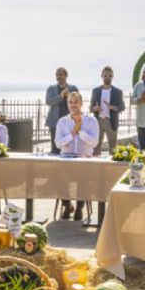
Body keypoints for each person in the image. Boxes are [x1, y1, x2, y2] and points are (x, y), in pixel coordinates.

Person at [54, 92, 99, 220]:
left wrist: (81, 131)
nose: (73, 105)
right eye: (70, 102)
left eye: (76, 102)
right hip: (66, 158)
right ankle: (67, 205)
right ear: (68, 104)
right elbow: (58, 143)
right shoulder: (62, 122)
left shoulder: (91, 121)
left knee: (83, 176)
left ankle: (80, 207)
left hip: (85, 158)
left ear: (81, 103)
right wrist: (71, 135)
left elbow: (94, 142)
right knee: (58, 176)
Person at [89, 66, 125, 155]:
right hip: (98, 121)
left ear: (112, 77)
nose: (107, 77)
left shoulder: (118, 92)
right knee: (95, 149)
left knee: (113, 150)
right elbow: (91, 108)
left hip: (111, 122)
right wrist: (95, 108)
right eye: (105, 75)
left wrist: (113, 107)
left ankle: (111, 168)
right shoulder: (96, 91)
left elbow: (122, 107)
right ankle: (95, 167)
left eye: (109, 75)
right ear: (102, 76)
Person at [45, 68, 79, 153]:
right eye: (57, 75)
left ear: (66, 75)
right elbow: (48, 102)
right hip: (54, 122)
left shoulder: (73, 88)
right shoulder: (51, 88)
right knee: (55, 147)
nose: (59, 76)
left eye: (61, 74)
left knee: (70, 146)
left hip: (70, 122)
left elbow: (78, 102)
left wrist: (68, 97)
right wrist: (60, 97)